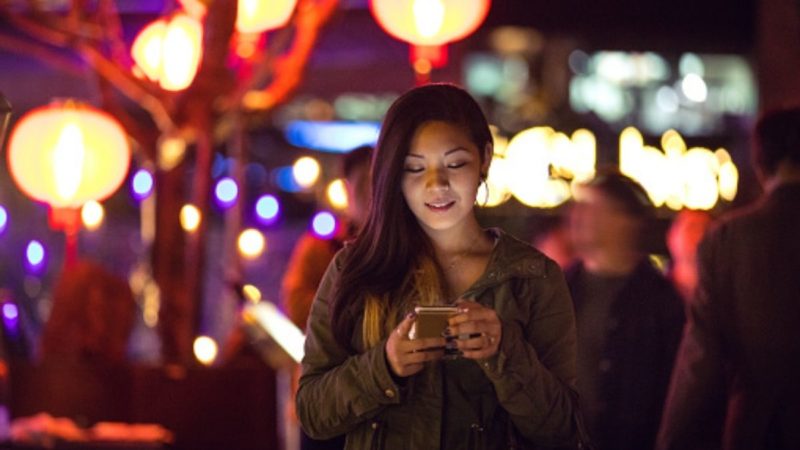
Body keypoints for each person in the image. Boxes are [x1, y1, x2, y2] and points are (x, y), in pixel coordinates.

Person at [296, 84, 581, 449]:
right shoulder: (355, 268)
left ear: (485, 159)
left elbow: (563, 431)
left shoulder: (531, 277)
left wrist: (504, 351)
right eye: (414, 168)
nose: (436, 184)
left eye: (455, 163)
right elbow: (312, 413)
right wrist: (384, 365)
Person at [656, 107, 800, 450]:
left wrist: (671, 440)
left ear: (761, 162)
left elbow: (701, 357)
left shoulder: (730, 238)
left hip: (760, 429)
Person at [565, 170, 684, 450]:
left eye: (593, 208)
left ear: (626, 221)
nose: (578, 216)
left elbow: (673, 391)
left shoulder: (661, 301)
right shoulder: (557, 289)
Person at [665, 209, 713, 301]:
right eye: (692, 228)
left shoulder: (725, 295)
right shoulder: (653, 294)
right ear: (671, 238)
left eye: (706, 229)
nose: (700, 235)